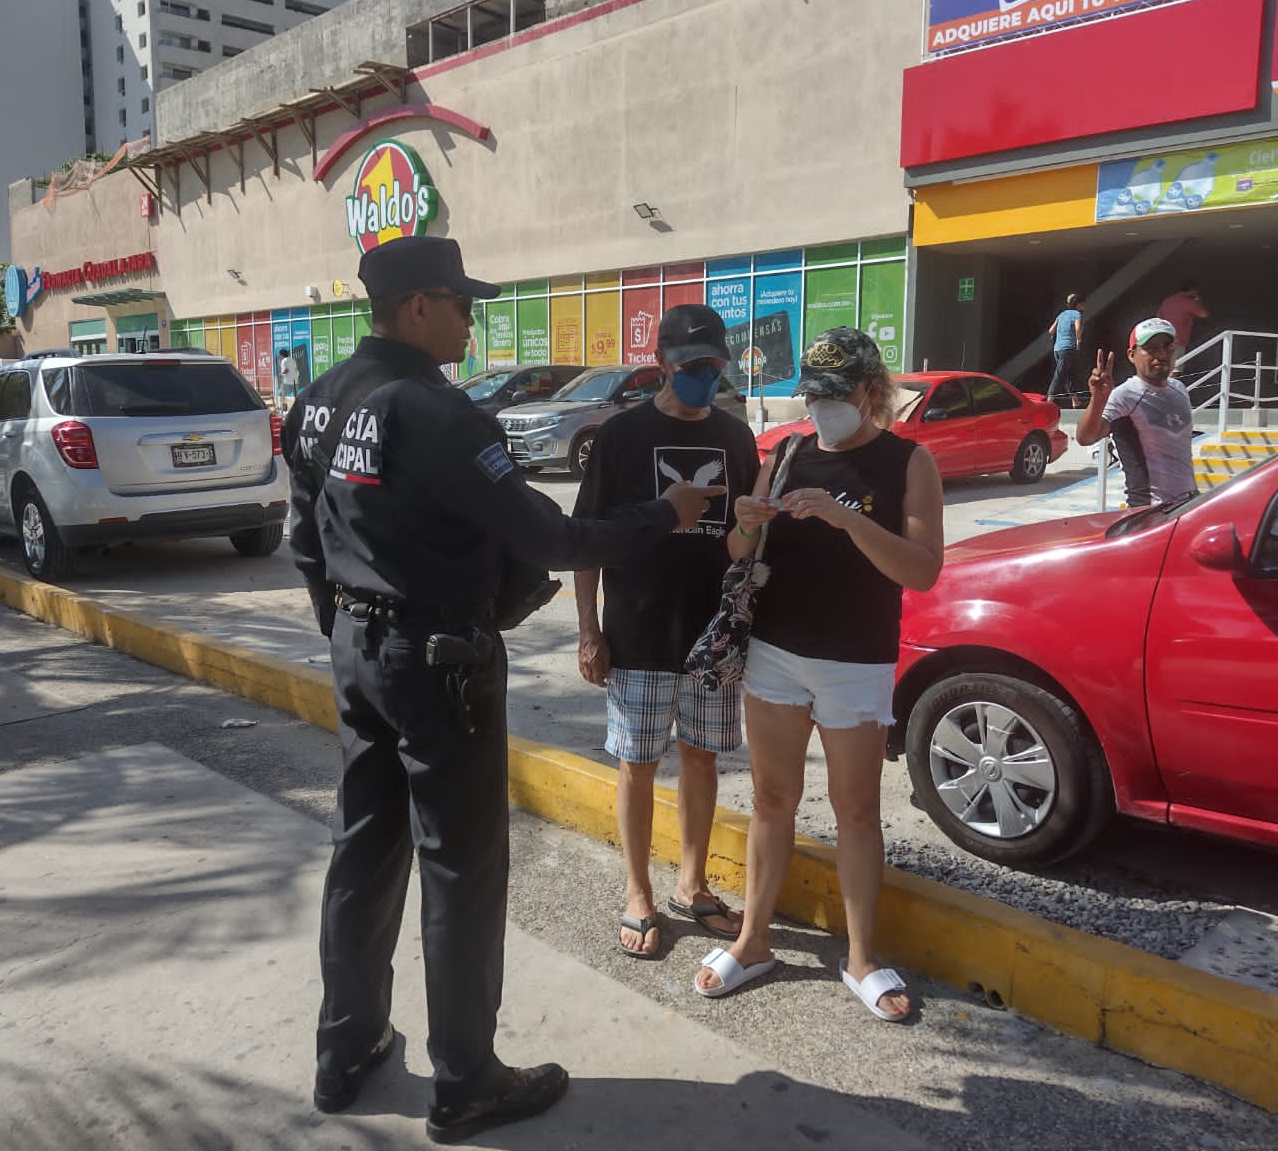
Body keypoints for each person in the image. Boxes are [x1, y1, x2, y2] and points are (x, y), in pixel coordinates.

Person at [286, 235, 724, 1139]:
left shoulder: (322, 400)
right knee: (462, 867)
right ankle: (467, 1079)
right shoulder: (439, 412)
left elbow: (304, 529)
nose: (472, 318)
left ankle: (347, 1049)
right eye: (460, 302)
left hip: (358, 648)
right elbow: (553, 541)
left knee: (363, 849)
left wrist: (342, 620)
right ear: (417, 309)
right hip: (438, 658)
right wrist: (664, 514)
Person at [691, 328, 944, 1022]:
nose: (824, 407)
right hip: (776, 651)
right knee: (772, 799)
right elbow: (740, 547)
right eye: (815, 395)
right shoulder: (791, 450)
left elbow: (922, 569)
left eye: (837, 396)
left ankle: (861, 956)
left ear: (871, 393)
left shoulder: (907, 462)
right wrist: (742, 520)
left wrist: (845, 520)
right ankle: (754, 940)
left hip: (855, 660)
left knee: (856, 810)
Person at [572, 304, 760, 960]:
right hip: (639, 631)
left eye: (714, 366)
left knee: (704, 758)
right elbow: (586, 541)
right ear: (662, 367)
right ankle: (638, 892)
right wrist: (589, 630)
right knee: (638, 766)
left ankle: (693, 883)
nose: (705, 377)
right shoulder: (621, 436)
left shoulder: (736, 438)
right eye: (692, 367)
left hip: (711, 638)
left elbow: (746, 533)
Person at [1076, 317, 1197, 508]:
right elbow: (1085, 437)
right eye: (1150, 347)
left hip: (1189, 504)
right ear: (1132, 355)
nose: (1161, 354)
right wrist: (1097, 401)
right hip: (1151, 512)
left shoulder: (1179, 389)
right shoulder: (1125, 395)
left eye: (1167, 346)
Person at [1046, 293, 1083, 407]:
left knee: (1068, 374)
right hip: (1068, 349)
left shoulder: (1061, 315)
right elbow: (1078, 328)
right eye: (1082, 303)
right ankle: (1049, 399)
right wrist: (1078, 340)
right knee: (1060, 374)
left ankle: (1075, 400)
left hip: (1057, 349)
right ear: (1078, 304)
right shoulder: (1077, 314)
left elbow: (1051, 331)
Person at [1156, 279, 1208, 352]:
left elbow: (1158, 316)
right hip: (1178, 340)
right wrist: (1198, 300)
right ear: (1193, 290)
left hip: (1164, 338)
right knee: (1177, 362)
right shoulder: (1190, 303)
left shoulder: (1168, 300)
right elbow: (1204, 314)